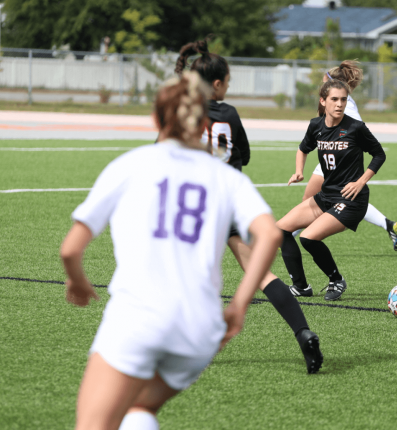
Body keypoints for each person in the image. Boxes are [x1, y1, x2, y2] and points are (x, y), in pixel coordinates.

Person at [61, 72, 282, 430]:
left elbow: (71, 250)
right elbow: (269, 234)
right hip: (199, 329)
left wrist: (79, 284)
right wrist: (239, 304)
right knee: (138, 410)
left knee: (94, 425)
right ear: (205, 123)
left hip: (140, 318)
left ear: (155, 118)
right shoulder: (227, 178)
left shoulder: (131, 165)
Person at [175, 38, 322, 373]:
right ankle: (302, 332)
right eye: (228, 81)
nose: (229, 87)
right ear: (216, 84)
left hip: (195, 207)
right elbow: (244, 154)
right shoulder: (229, 113)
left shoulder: (181, 109)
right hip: (229, 204)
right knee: (261, 274)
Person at [278, 79, 386, 301]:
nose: (339, 104)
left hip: (351, 200)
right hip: (326, 196)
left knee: (308, 238)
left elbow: (379, 154)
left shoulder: (355, 128)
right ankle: (301, 287)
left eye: (343, 100)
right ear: (323, 101)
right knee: (280, 230)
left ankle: (336, 280)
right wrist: (299, 171)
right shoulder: (316, 126)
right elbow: (303, 148)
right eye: (334, 99)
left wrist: (361, 181)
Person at [296, 60, 397, 252]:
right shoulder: (338, 100)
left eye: (324, 79)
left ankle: (287, 236)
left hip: (338, 157)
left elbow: (357, 133)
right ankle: (387, 224)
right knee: (336, 198)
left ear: (331, 81)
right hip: (332, 154)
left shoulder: (345, 105)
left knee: (318, 199)